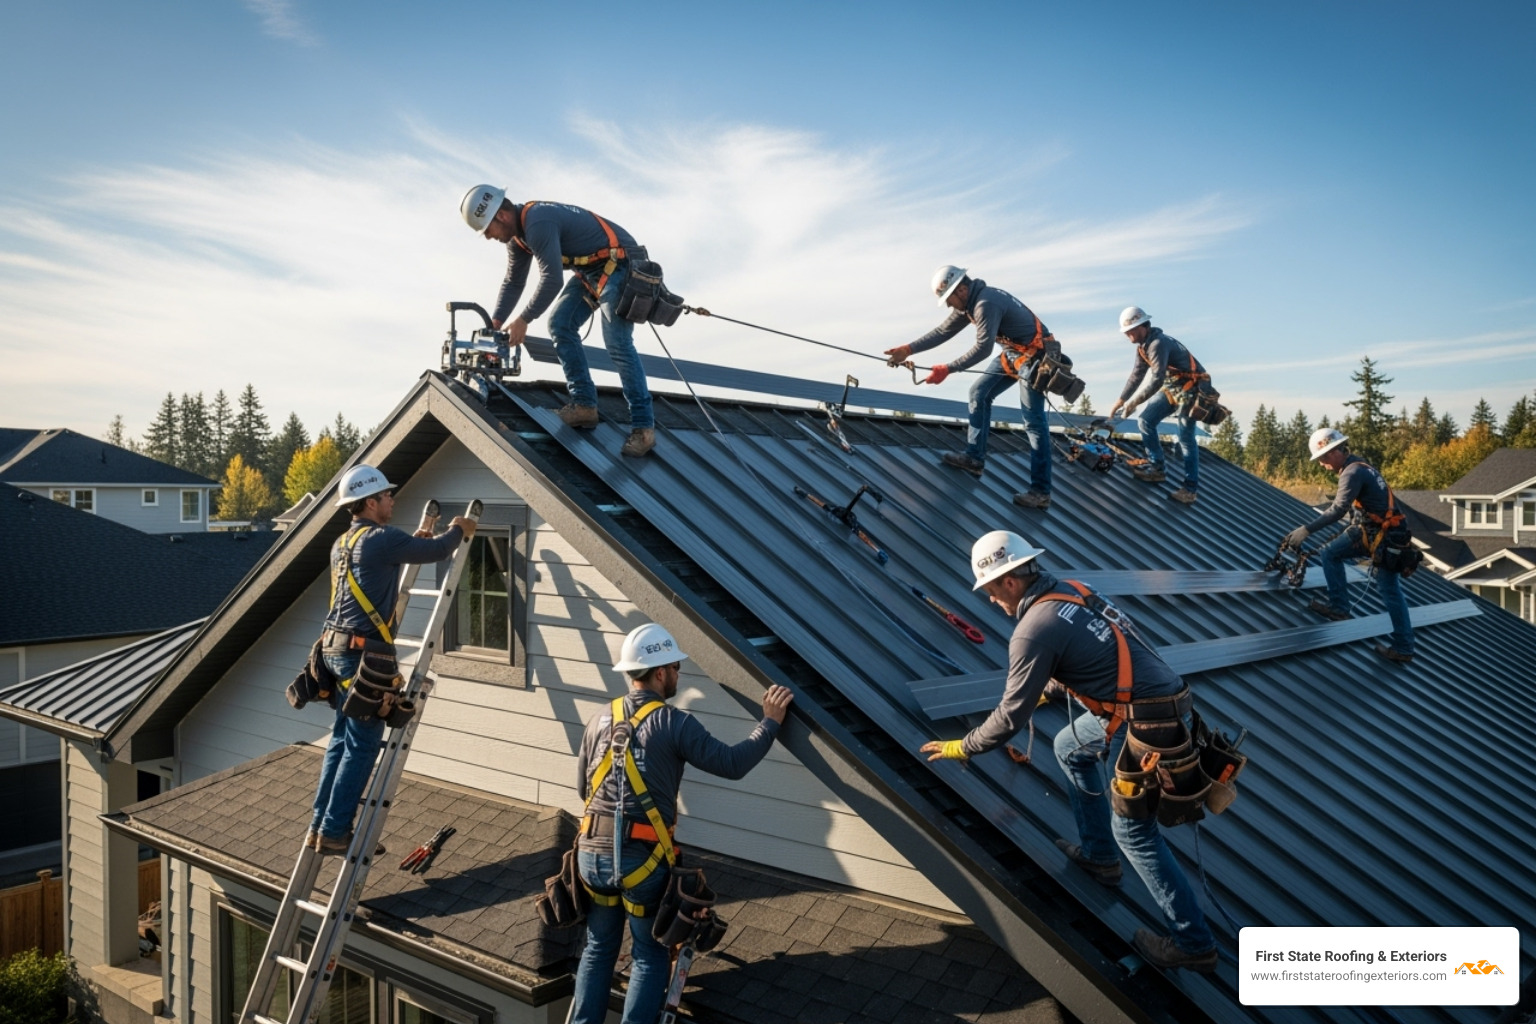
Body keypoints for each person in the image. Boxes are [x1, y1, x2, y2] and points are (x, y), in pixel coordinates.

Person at [920, 530, 1219, 972]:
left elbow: (1007, 720)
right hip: (1154, 705)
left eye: (989, 590)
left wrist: (961, 746)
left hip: (1145, 725)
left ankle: (1194, 944)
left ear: (1008, 581)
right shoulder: (1074, 590)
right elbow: (1103, 654)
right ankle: (1100, 858)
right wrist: (1051, 688)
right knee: (1068, 745)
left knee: (1135, 833)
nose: (989, 601)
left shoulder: (1031, 630)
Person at [569, 624, 794, 1024]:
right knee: (649, 953)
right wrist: (770, 723)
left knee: (599, 946)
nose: (678, 674)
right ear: (659, 672)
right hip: (638, 861)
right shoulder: (674, 722)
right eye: (675, 667)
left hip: (590, 856)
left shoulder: (599, 717)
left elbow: (581, 784)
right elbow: (732, 763)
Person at [307, 465, 477, 855]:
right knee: (364, 745)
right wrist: (459, 529)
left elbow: (376, 572)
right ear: (370, 502)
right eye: (386, 496)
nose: (392, 500)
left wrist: (409, 544)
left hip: (334, 649)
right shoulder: (382, 539)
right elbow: (437, 551)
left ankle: (321, 825)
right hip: (359, 655)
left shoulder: (343, 543)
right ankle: (334, 830)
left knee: (341, 740)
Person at [460, 185, 657, 458]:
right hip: (592, 269)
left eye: (487, 230)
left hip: (620, 263)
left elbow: (552, 280)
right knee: (560, 324)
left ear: (500, 216)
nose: (488, 237)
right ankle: (585, 406)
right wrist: (494, 324)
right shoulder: (517, 239)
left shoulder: (539, 222)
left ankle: (643, 428)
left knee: (617, 342)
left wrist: (524, 319)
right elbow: (514, 282)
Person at [883, 266, 1068, 510]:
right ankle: (974, 458)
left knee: (1033, 422)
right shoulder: (969, 304)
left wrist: (948, 368)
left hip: (1036, 357)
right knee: (978, 393)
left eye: (949, 299)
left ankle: (1041, 492)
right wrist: (908, 349)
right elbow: (943, 331)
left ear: (961, 289)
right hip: (1015, 354)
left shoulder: (985, 304)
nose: (949, 305)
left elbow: (983, 348)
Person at [1285, 428, 1416, 663]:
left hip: (1384, 538)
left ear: (1335, 452)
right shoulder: (1360, 466)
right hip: (1377, 532)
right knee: (1331, 554)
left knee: (1389, 590)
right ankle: (1340, 607)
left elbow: (1337, 510)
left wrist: (1306, 530)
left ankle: (1403, 648)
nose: (1323, 465)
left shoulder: (1352, 473)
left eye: (1323, 459)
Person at [1106, 307, 1208, 505]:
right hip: (1175, 386)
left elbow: (1156, 380)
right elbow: (1137, 375)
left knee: (1185, 436)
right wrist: (1122, 400)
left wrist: (1134, 402)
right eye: (1126, 332)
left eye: (1131, 331)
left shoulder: (1158, 344)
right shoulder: (1143, 347)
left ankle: (1190, 489)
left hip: (1195, 388)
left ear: (1143, 327)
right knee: (1146, 421)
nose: (1128, 336)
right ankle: (1157, 467)